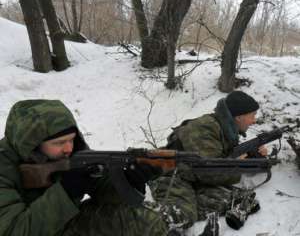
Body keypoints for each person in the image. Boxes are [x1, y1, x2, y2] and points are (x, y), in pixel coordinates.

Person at [0, 99, 167, 236]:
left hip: (64, 224)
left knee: (144, 222)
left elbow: (103, 189)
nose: (68, 148)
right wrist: (66, 192)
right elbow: (12, 231)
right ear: (33, 143)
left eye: (71, 139)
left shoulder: (74, 153)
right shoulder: (4, 167)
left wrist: (130, 180)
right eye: (58, 143)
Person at [148, 91, 268, 235]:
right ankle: (147, 219)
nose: (254, 120)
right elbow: (210, 173)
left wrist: (253, 157)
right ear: (239, 117)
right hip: (171, 174)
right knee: (182, 214)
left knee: (241, 199)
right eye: (252, 115)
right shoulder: (206, 128)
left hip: (193, 176)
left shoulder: (225, 128)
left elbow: (220, 159)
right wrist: (238, 164)